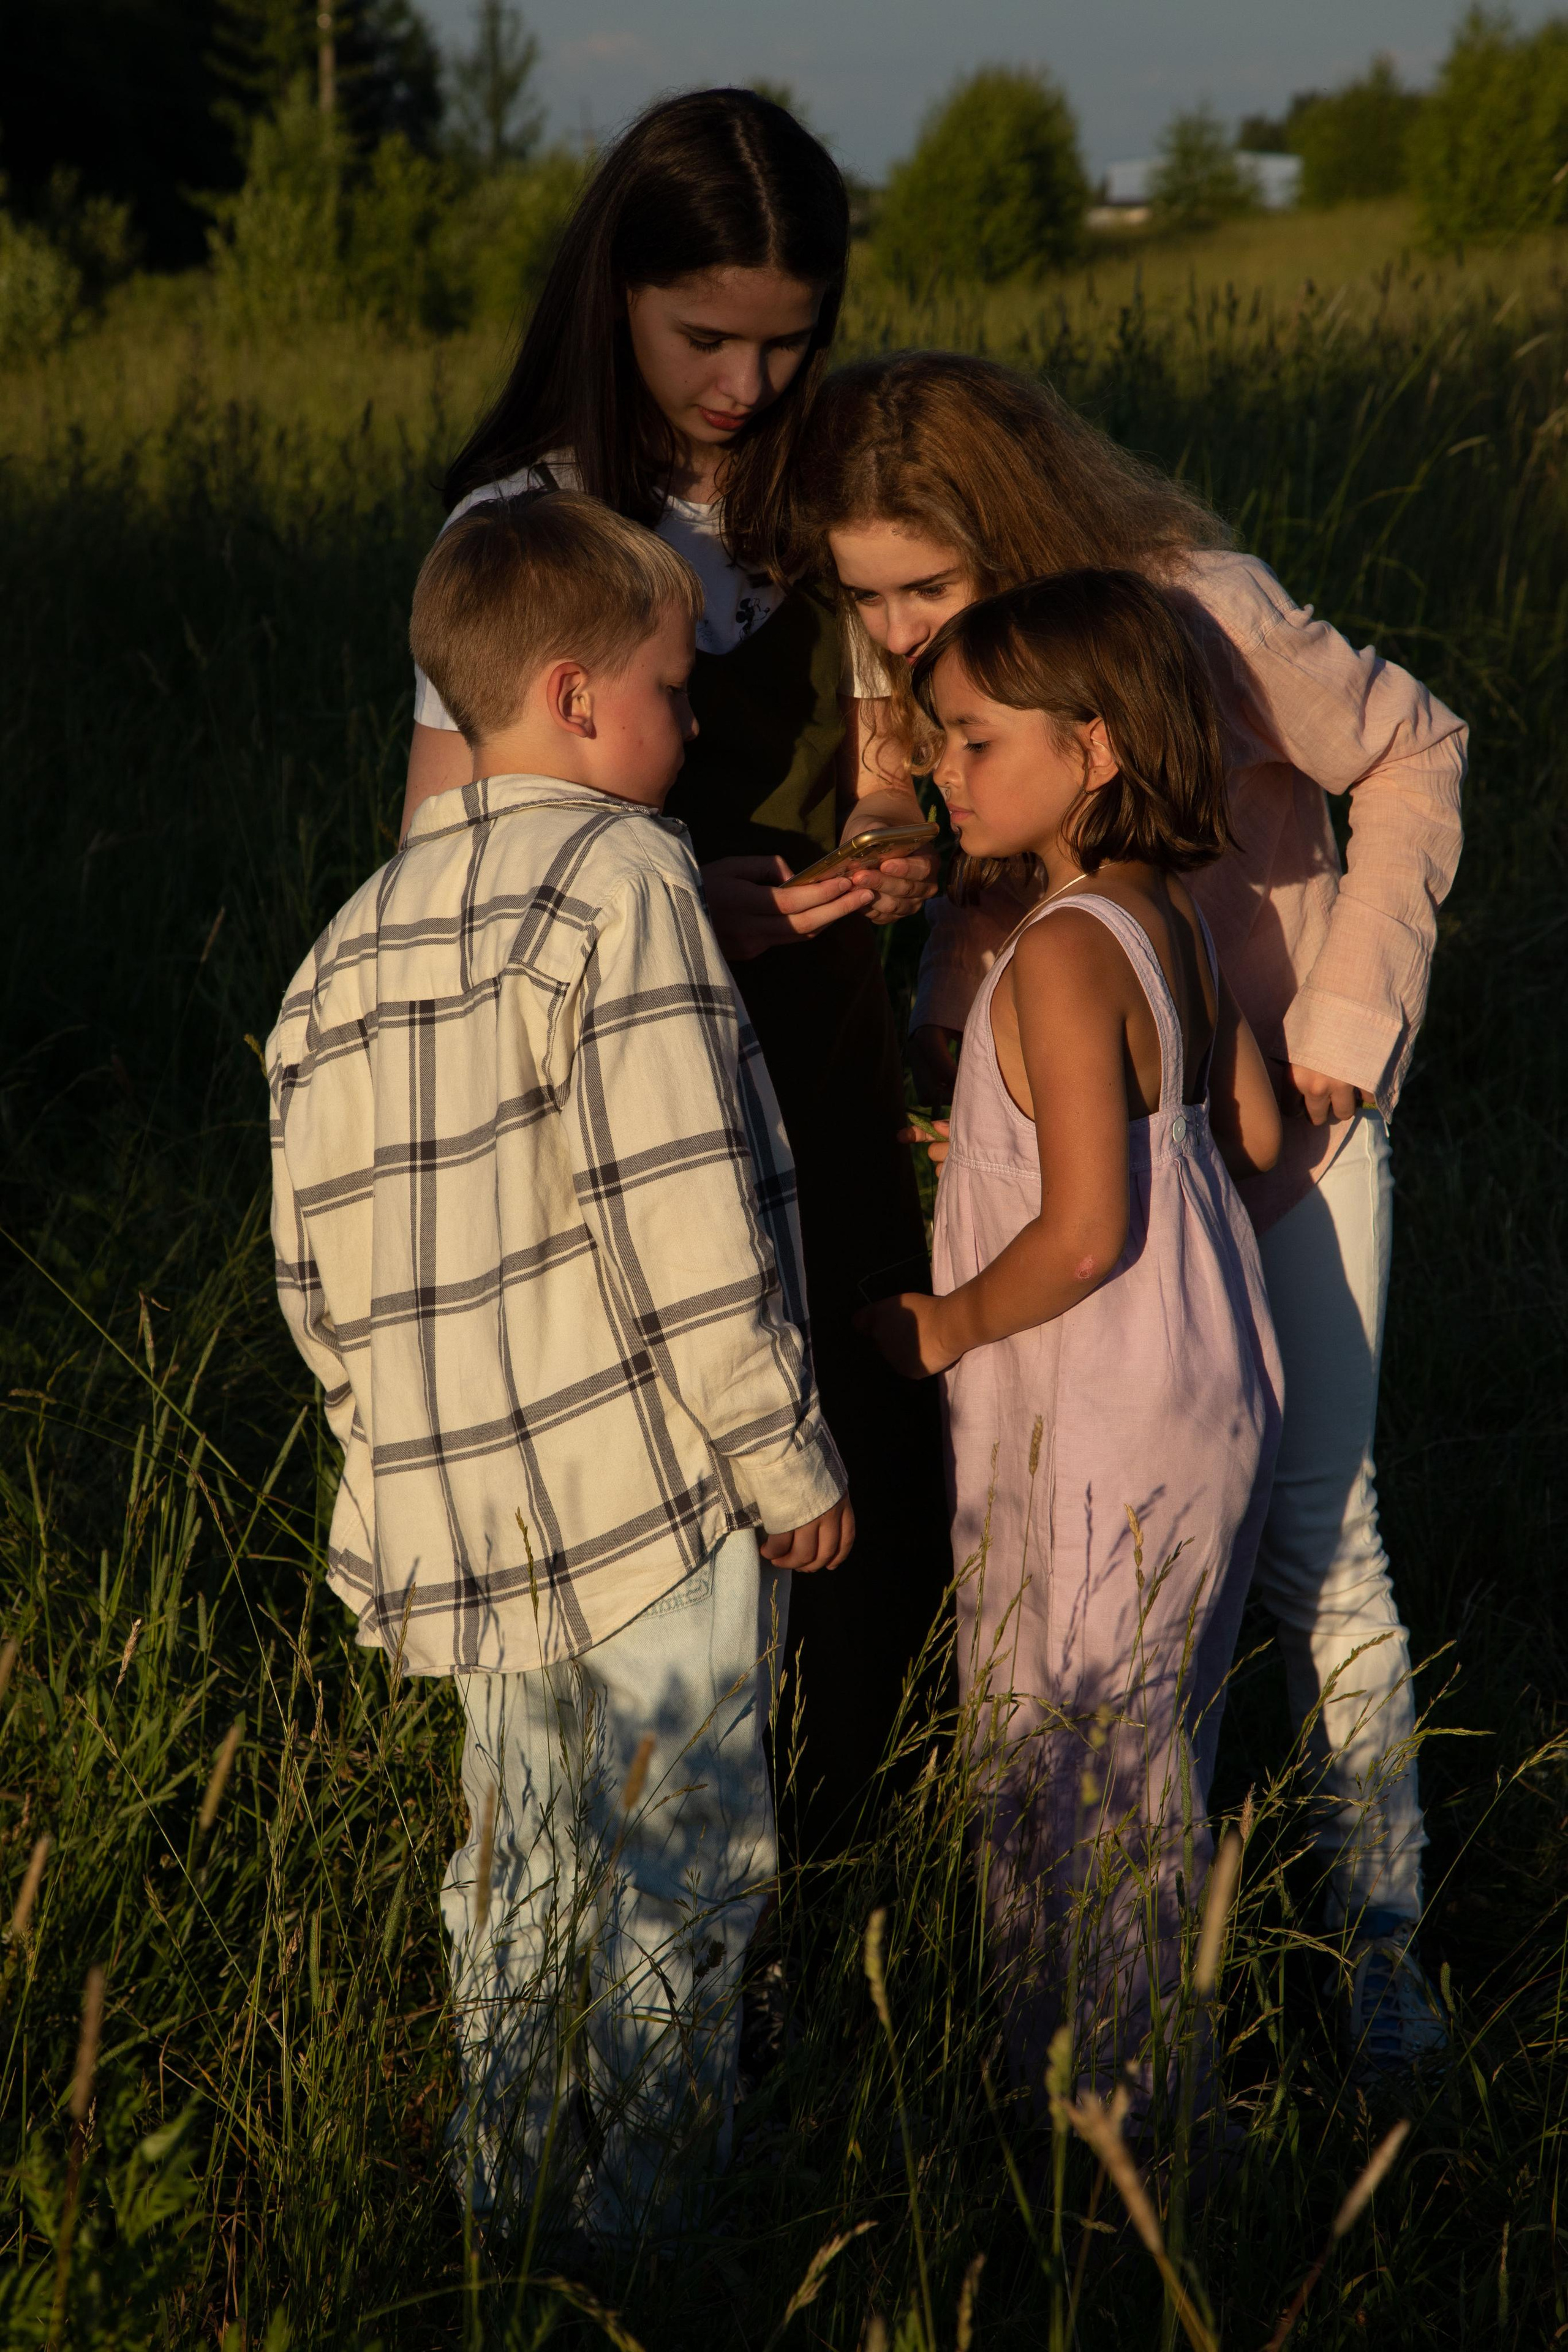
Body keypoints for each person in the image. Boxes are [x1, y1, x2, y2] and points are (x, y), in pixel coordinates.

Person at [794, 351, 1466, 2072]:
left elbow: (1413, 749)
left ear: (1006, 530)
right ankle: (1149, 1961)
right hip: (1091, 1121)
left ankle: (1376, 1949)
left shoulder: (1196, 613)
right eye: (859, 597)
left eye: (920, 586)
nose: (887, 630)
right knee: (1116, 1553)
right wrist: (916, 900)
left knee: (1316, 1535)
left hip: (1282, 1109)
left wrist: (1341, 1028)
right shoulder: (945, 689)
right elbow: (984, 880)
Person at [267, 489, 853, 2244]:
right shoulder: (627, 881)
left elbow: (314, 1265)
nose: (693, 723)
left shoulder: (344, 947)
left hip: (461, 1502)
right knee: (687, 1853)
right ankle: (651, 2223)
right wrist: (785, 1458)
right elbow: (681, 1203)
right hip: (649, 1484)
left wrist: (389, 1446)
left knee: (514, 1852)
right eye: (680, 689)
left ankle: (501, 2185)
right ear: (583, 695)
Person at [400, 89, 949, 1852]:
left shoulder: (825, 493)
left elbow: (890, 740)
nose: (744, 386)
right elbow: (444, 876)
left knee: (861, 1450)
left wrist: (895, 832)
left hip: (827, 1051)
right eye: (702, 335)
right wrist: (656, 902)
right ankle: (664, 1874)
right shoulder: (526, 531)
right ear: (613, 294)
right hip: (626, 1099)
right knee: (672, 1482)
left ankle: (844, 1857)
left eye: (787, 346)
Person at [858, 570, 1283, 2105]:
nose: (940, 771)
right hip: (1206, 1377)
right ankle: (1091, 2096)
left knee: (1080, 1753)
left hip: (1100, 1392)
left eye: (973, 742)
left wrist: (944, 1315)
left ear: (1091, 748)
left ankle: (1120, 2130)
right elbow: (1247, 1129)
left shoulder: (1053, 950)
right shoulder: (1163, 919)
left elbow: (1089, 1229)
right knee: (1145, 1731)